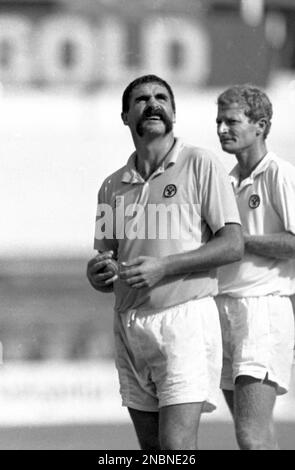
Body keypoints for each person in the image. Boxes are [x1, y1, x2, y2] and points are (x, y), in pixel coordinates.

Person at [87, 74, 243, 450]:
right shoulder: (111, 186)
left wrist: (164, 267)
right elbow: (105, 258)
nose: (153, 103)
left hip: (184, 319)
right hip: (130, 324)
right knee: (152, 452)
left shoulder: (200, 164)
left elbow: (233, 244)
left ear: (174, 111)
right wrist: (96, 273)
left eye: (161, 97)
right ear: (125, 116)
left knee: (175, 450)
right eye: (141, 99)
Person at [215, 85, 295, 450]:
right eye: (218, 121)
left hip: (262, 307)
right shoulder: (225, 182)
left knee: (252, 436)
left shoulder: (279, 174)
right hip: (224, 308)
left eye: (231, 121)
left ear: (260, 125)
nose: (221, 129)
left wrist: (240, 241)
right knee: (253, 435)